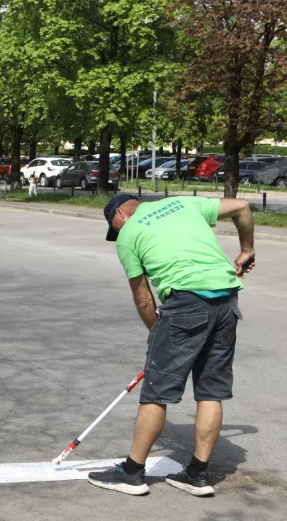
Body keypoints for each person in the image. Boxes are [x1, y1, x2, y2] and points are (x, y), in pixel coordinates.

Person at [88, 194, 255, 497]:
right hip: (227, 299)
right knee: (210, 390)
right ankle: (198, 473)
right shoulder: (184, 202)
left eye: (114, 227)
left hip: (186, 303)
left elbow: (143, 298)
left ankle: (132, 472)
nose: (116, 235)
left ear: (121, 214)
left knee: (157, 390)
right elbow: (242, 206)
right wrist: (247, 250)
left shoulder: (128, 235)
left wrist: (158, 333)